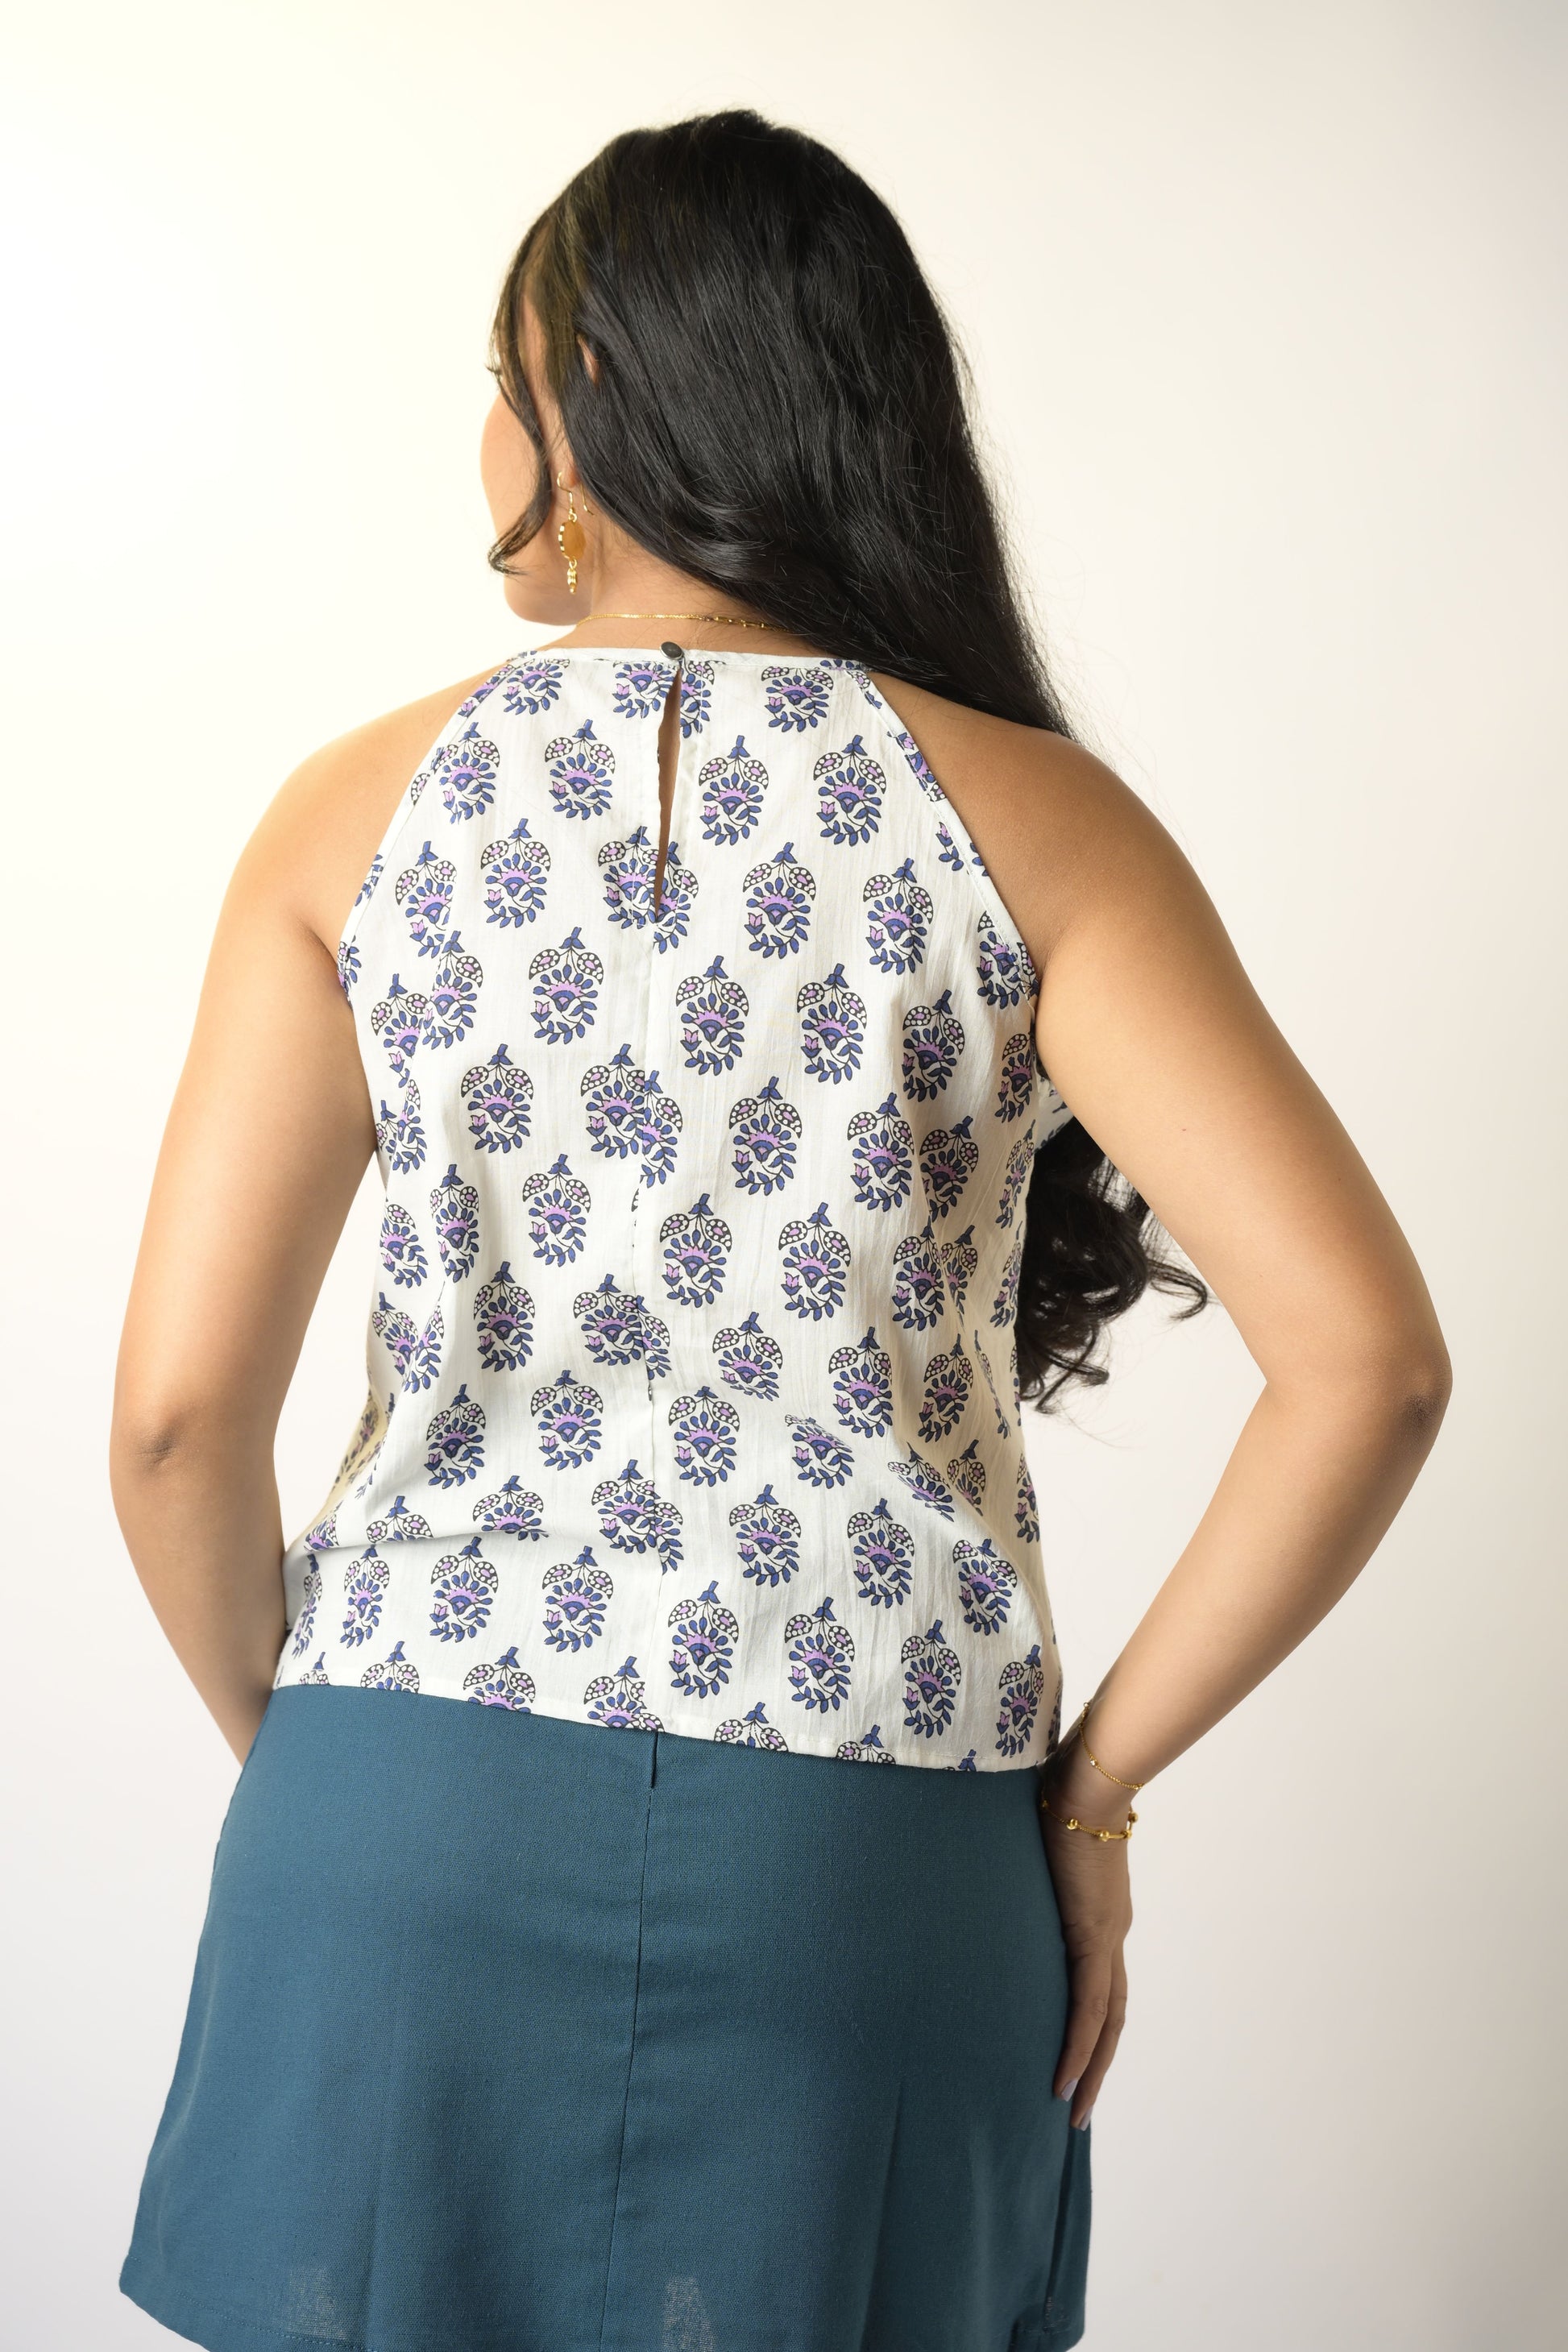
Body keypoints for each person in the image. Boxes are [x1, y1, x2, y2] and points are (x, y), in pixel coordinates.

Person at [111, 111, 1450, 2352]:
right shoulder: (1035, 822)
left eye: (499, 382)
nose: (481, 442)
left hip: (393, 1809)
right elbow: (1369, 1366)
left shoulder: (347, 816)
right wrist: (1092, 1807)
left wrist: (350, 1764)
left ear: (593, 401)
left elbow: (172, 1423)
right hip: (876, 1858)